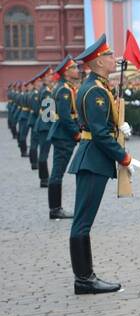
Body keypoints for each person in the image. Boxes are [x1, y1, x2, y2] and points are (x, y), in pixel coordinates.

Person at [67, 36, 132, 294]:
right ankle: (84, 279)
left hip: (92, 158)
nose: (113, 59)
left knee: (83, 220)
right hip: (93, 159)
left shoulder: (97, 86)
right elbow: (99, 133)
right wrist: (123, 157)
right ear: (97, 62)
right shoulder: (95, 91)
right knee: (83, 221)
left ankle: (85, 276)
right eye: (109, 55)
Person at [47, 56, 81, 220]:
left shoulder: (64, 87)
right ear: (66, 72)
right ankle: (55, 209)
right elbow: (66, 117)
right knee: (57, 173)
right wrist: (76, 133)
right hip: (63, 136)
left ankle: (55, 208)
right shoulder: (65, 90)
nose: (77, 70)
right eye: (74, 67)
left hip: (61, 134)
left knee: (57, 172)